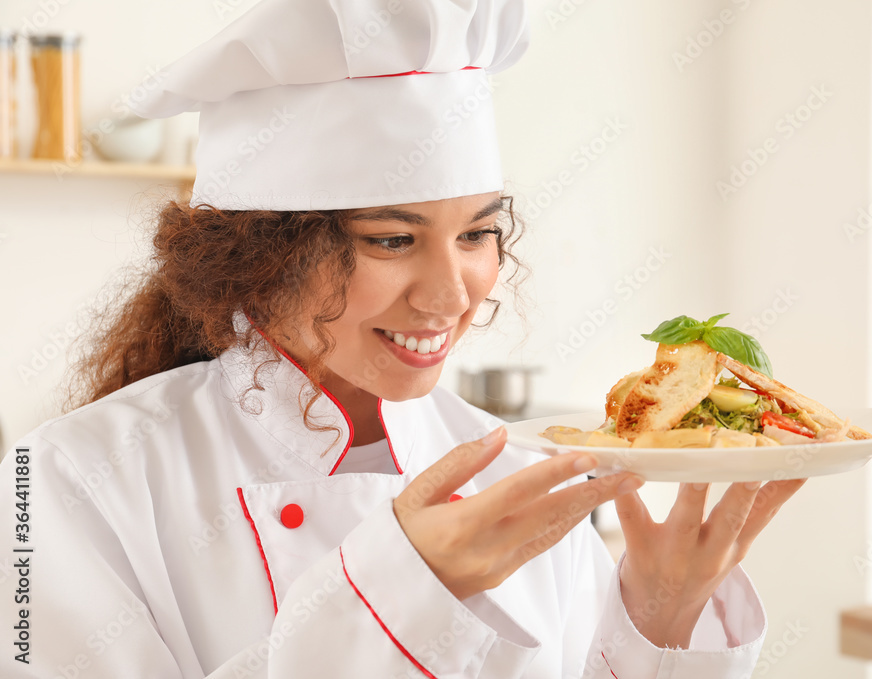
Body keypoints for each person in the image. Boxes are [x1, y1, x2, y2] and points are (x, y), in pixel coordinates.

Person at [0, 1, 804, 677]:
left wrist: (661, 619)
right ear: (260, 255)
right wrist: (397, 593)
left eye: (477, 234)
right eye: (392, 239)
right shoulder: (65, 480)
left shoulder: (515, 463)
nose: (452, 294)